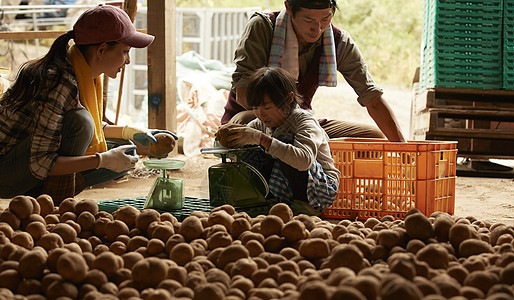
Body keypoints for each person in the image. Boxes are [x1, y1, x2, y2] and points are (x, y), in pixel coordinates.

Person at [0, 4, 177, 204]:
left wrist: (132, 132)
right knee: (81, 122)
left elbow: (77, 128)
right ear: (101, 49)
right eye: (125, 51)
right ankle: (51, 207)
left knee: (125, 150)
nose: (127, 61)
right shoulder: (59, 81)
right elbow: (40, 160)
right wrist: (102, 160)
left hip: (29, 159)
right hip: (7, 172)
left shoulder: (83, 72)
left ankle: (44, 197)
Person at [221, 0, 405, 142]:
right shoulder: (263, 27)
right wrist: (294, 128)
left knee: (374, 138)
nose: (317, 29)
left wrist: (405, 152)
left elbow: (372, 98)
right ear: (289, 8)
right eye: (308, 20)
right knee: (239, 128)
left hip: (301, 120)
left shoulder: (337, 41)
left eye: (325, 19)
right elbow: (244, 96)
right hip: (257, 117)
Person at [216, 67, 340, 214]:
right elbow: (235, 151)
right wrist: (227, 139)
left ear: (289, 99)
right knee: (248, 150)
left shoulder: (304, 121)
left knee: (285, 140)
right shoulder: (259, 123)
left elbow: (303, 161)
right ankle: (267, 200)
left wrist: (260, 139)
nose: (260, 114)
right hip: (283, 185)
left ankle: (304, 206)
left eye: (267, 107)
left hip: (319, 189)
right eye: (255, 107)